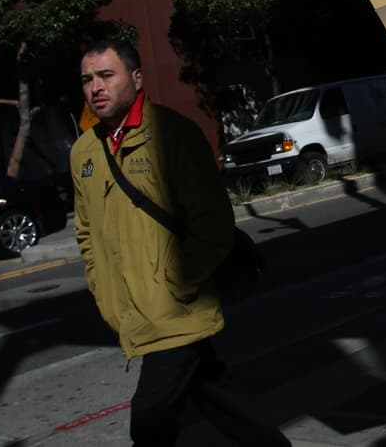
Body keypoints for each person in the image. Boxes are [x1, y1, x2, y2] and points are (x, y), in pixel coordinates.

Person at [71, 39, 289, 447]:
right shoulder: (84, 151)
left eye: (106, 75)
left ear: (136, 79)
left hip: (178, 306)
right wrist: (103, 291)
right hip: (134, 310)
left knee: (151, 418)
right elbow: (86, 233)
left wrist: (179, 282)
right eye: (87, 79)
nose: (95, 87)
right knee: (214, 394)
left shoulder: (172, 134)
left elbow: (213, 221)